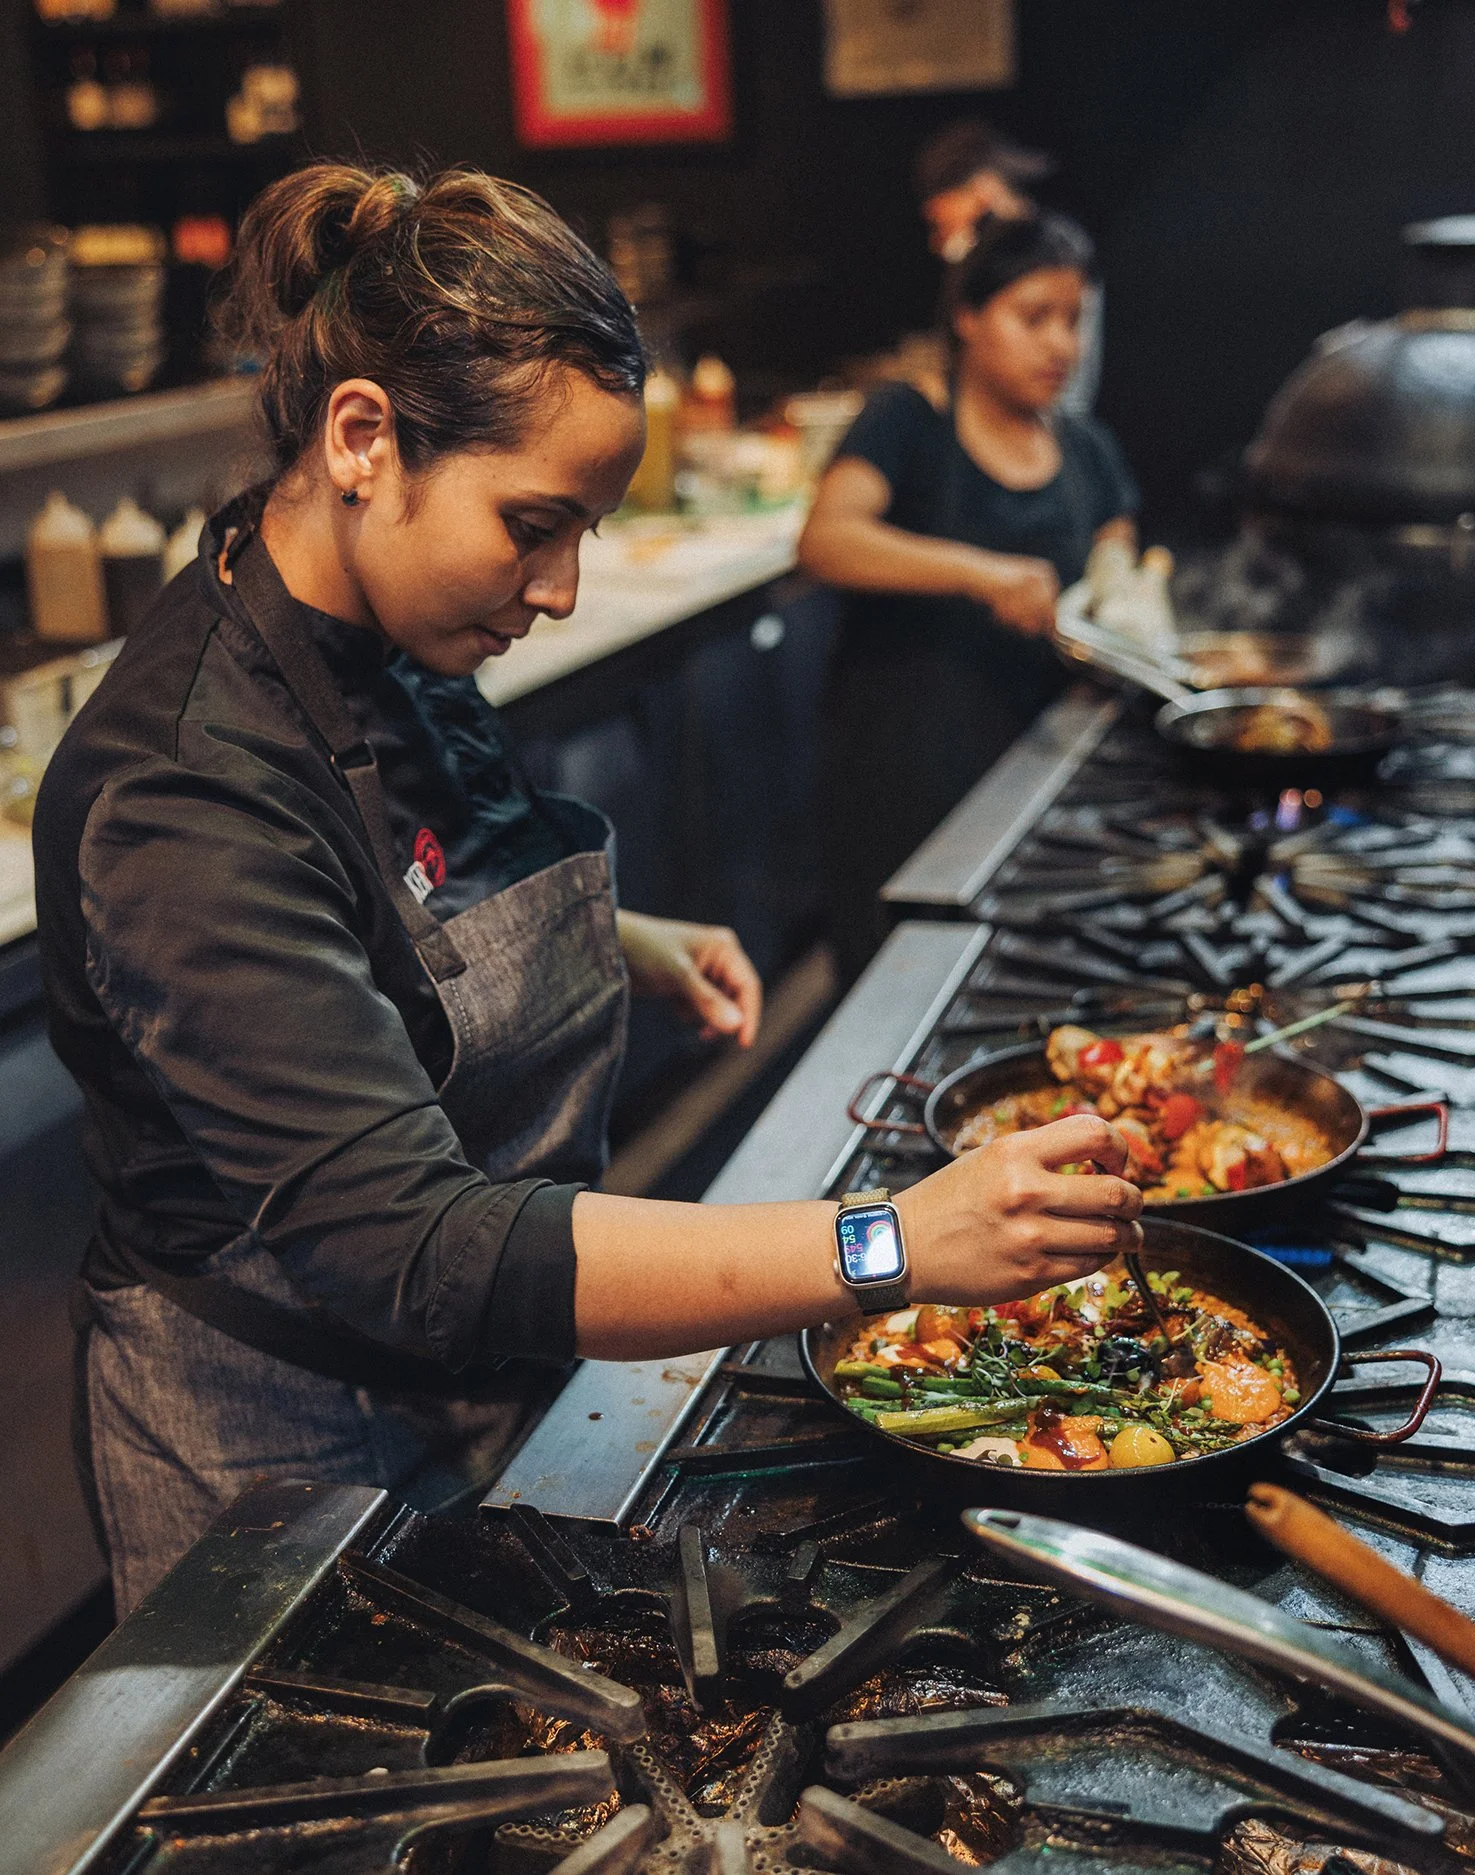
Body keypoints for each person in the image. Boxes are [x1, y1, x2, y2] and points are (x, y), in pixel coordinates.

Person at [34, 164, 1144, 1614]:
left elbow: (384, 895)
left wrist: (617, 936)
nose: (557, 588)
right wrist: (891, 1242)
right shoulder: (182, 792)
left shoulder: (381, 624)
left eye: (584, 537)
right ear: (363, 436)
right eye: (532, 524)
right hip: (268, 1438)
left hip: (465, 1382)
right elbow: (411, 1245)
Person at [800, 213, 1138, 982]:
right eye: (1034, 318)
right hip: (904, 777)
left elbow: (1121, 550)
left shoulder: (1087, 448)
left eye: (1073, 321)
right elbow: (825, 539)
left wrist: (1121, 602)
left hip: (1037, 782)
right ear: (968, 317)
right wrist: (984, 573)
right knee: (893, 991)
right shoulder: (906, 421)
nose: (1061, 345)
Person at [914, 119, 1103, 417]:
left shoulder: (1063, 261)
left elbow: (1071, 397)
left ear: (983, 191)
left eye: (942, 222)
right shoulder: (982, 267)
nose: (940, 241)